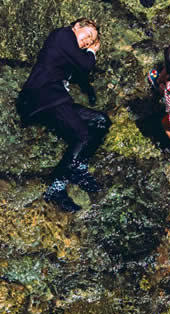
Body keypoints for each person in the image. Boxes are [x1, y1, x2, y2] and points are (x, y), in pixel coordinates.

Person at [17, 19, 109, 213]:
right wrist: (93, 51)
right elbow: (85, 65)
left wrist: (90, 91)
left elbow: (80, 73)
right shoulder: (63, 35)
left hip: (54, 99)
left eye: (91, 41)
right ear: (76, 26)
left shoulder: (67, 50)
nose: (87, 42)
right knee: (82, 135)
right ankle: (56, 187)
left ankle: (78, 167)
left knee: (101, 121)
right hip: (41, 96)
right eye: (88, 36)